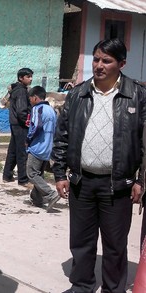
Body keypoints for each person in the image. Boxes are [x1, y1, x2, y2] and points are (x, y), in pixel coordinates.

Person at [52, 38, 146, 293]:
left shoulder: (137, 95)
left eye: (107, 60)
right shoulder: (78, 94)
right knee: (81, 240)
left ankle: (113, 289)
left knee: (115, 244)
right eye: (96, 59)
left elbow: (145, 145)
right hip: (81, 182)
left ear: (122, 63)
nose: (99, 65)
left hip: (118, 185)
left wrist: (141, 180)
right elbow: (62, 136)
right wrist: (59, 173)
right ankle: (81, 285)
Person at [25, 86, 59, 209]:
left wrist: (28, 140)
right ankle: (36, 199)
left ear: (35, 98)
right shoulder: (51, 110)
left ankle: (50, 194)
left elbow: (35, 127)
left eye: (30, 99)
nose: (30, 101)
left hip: (37, 147)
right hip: (48, 147)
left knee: (31, 173)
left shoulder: (37, 109)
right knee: (39, 173)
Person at [2, 67, 33, 187]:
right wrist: (27, 122)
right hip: (20, 124)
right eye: (28, 77)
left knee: (13, 150)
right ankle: (23, 179)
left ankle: (7, 175)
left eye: (31, 77)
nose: (30, 79)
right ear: (21, 78)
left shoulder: (16, 89)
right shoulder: (21, 91)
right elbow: (21, 110)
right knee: (22, 152)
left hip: (15, 123)